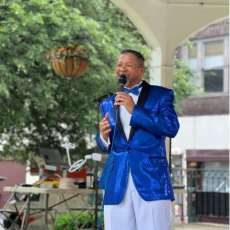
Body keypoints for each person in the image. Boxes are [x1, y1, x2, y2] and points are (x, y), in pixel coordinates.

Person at [96, 49, 179, 230]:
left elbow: (171, 128)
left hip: (152, 180)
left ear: (141, 69)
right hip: (117, 181)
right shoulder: (107, 103)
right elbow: (107, 145)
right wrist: (102, 136)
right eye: (119, 65)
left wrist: (135, 111)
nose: (122, 68)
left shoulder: (161, 95)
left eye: (128, 65)